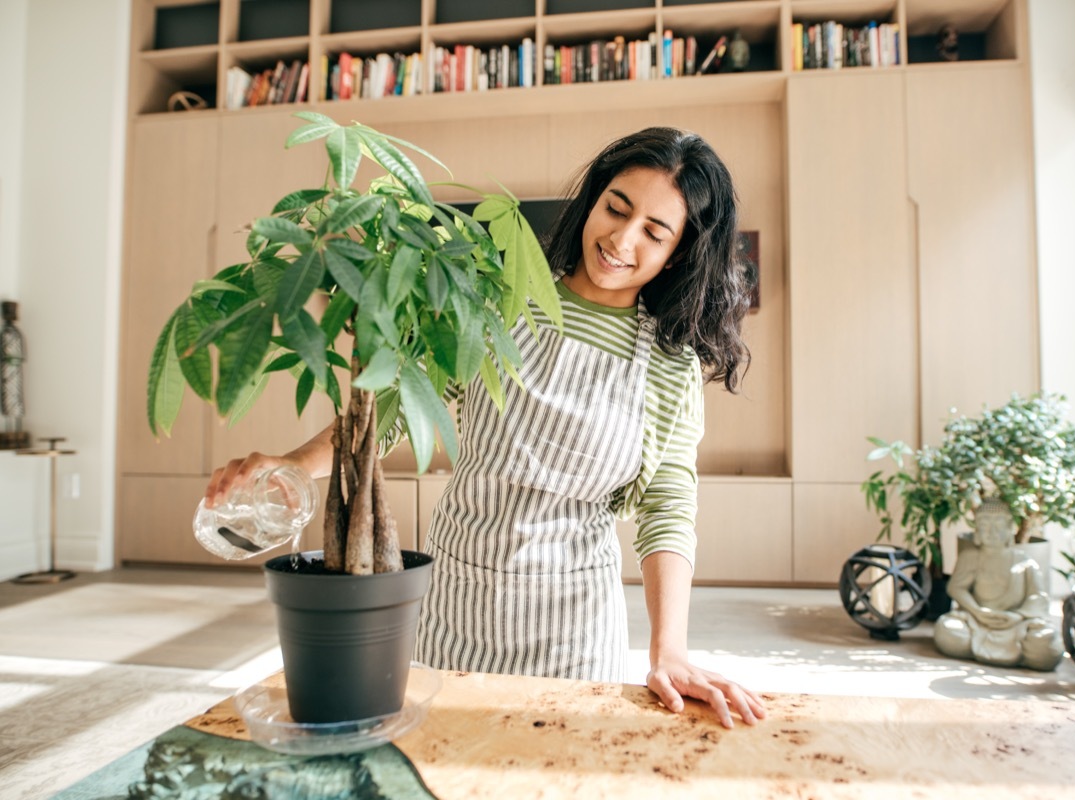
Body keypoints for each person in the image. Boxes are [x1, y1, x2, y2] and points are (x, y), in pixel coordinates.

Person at [205, 127, 767, 728]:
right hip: (453, 603)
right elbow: (400, 400)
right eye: (615, 209)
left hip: (573, 622)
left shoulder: (669, 363)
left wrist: (669, 649)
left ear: (679, 251)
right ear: (594, 197)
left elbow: (668, 504)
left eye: (654, 233)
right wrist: (297, 464)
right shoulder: (500, 299)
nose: (621, 240)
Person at [932, 498, 1064, 671]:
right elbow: (956, 587)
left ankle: (1024, 649)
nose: (991, 531)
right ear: (977, 530)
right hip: (976, 620)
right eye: (985, 525)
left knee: (1045, 644)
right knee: (947, 630)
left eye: (998, 525)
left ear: (1010, 528)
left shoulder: (1023, 561)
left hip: (1016, 624)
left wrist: (1018, 615)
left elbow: (1039, 596)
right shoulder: (970, 557)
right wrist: (977, 611)